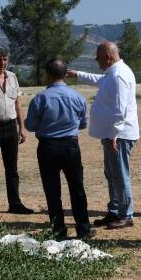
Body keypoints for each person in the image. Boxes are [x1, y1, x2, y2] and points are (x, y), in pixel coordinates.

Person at [67, 41, 140, 230]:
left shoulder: (118, 76)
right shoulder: (113, 73)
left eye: (98, 57)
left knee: (119, 174)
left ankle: (126, 214)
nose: (96, 60)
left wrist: (115, 133)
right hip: (113, 134)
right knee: (112, 174)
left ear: (108, 57)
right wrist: (77, 75)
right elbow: (98, 80)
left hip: (119, 136)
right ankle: (115, 211)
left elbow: (120, 109)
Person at [25, 59, 95, 240]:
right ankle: (84, 228)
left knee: (52, 190)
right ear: (65, 75)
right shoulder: (78, 97)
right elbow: (83, 124)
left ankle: (58, 230)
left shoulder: (40, 98)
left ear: (47, 75)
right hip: (70, 146)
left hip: (47, 147)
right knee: (77, 188)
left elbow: (31, 126)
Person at [0, 46, 33, 217]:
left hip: (10, 126)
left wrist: (22, 127)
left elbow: (17, 103)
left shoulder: (13, 77)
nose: (1, 62)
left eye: (4, 59)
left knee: (12, 168)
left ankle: (15, 203)